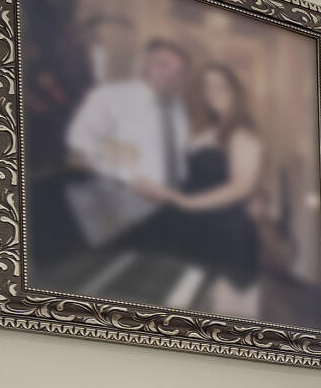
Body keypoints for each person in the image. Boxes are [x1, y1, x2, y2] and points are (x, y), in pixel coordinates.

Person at [125, 60, 266, 297]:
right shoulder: (206, 128)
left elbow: (241, 186)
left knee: (215, 307)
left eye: (220, 85)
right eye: (206, 85)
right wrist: (155, 190)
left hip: (223, 230)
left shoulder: (242, 131)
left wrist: (183, 201)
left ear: (235, 91)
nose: (212, 92)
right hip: (195, 222)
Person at [62, 35, 192, 250]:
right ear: (146, 63)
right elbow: (79, 140)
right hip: (119, 201)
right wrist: (128, 178)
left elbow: (177, 156)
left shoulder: (178, 108)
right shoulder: (110, 96)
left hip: (169, 208)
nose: (170, 75)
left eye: (178, 71)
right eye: (163, 65)